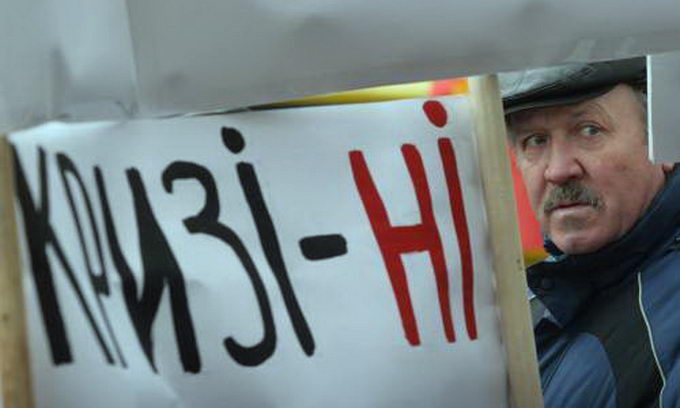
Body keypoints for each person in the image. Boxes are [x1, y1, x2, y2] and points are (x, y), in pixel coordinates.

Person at [501, 57, 680, 408]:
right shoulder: (528, 305)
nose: (558, 170)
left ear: (665, 143)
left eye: (589, 131)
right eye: (535, 140)